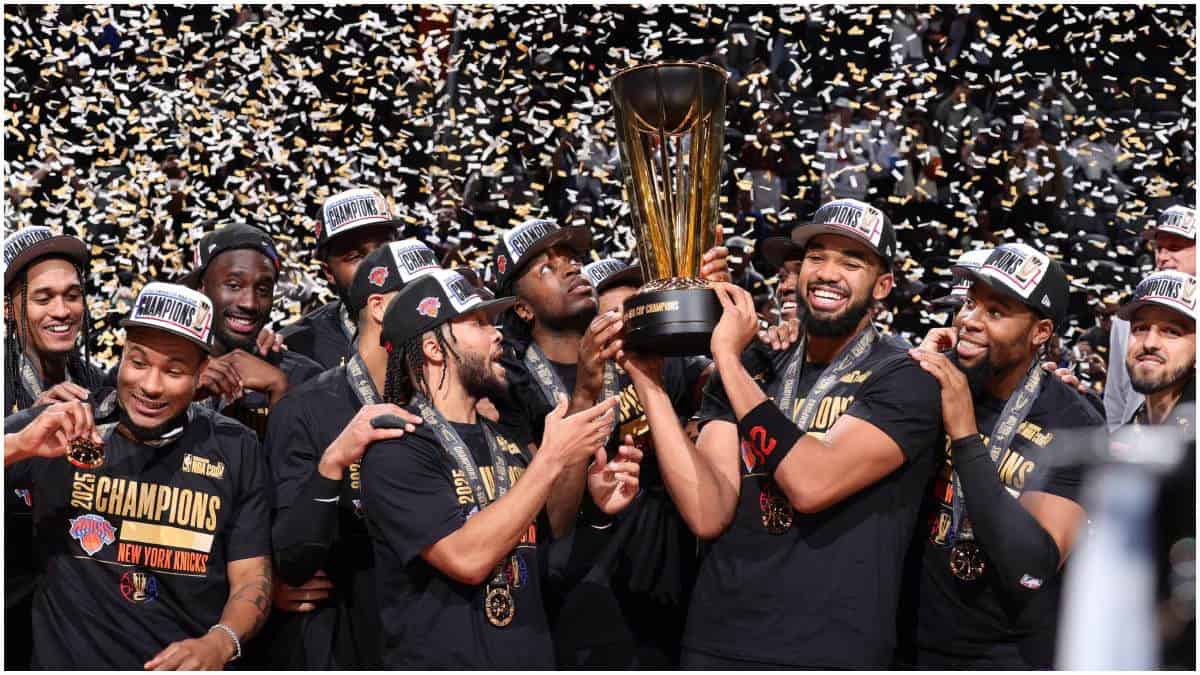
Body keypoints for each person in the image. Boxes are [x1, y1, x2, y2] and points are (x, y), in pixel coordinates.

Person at [622, 199, 945, 668]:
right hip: (717, 640)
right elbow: (708, 511)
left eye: (851, 262)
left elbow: (812, 483)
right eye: (817, 257)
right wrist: (648, 382)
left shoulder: (904, 376)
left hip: (832, 650)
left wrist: (727, 358)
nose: (828, 273)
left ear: (883, 285)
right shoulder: (756, 365)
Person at [359, 269, 640, 667]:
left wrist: (596, 511)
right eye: (478, 323)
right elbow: (466, 559)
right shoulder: (398, 449)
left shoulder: (504, 437)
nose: (497, 335)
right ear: (434, 348)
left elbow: (550, 533)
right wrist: (551, 458)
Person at [4, 282, 272, 669]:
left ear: (201, 373)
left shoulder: (236, 446)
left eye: (174, 371)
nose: (150, 386)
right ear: (123, 355)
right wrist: (19, 445)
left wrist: (220, 642)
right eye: (139, 363)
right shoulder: (61, 423)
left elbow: (251, 578)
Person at [905, 243, 1105, 668]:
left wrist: (965, 435)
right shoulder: (932, 382)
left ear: (1040, 332)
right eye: (970, 304)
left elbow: (1031, 569)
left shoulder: (1074, 422)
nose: (969, 320)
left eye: (995, 312)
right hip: (906, 641)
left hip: (1004, 655)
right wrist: (913, 377)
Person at [253, 241, 434, 667]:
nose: (440, 314)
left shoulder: (443, 403)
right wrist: (332, 466)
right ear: (380, 308)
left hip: (428, 638)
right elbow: (292, 559)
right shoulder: (306, 408)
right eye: (427, 299)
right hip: (342, 646)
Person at [2, 226, 102, 669]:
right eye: (43, 298)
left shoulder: (95, 383)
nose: (62, 311)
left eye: (72, 295)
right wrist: (22, 432)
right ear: (9, 308)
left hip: (69, 616)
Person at [185, 223, 323, 438]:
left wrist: (279, 390)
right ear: (201, 288)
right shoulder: (160, 367)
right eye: (233, 285)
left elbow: (308, 458)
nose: (249, 303)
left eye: (263, 289)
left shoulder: (305, 376)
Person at [279, 187, 404, 370]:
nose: (377, 267)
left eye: (385, 248)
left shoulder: (439, 320)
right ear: (329, 272)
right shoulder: (298, 347)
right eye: (355, 257)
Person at [1105, 205, 1195, 430]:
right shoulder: (1127, 317)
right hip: (1135, 439)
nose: (1162, 257)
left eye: (1174, 248)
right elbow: (1116, 397)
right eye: (1159, 248)